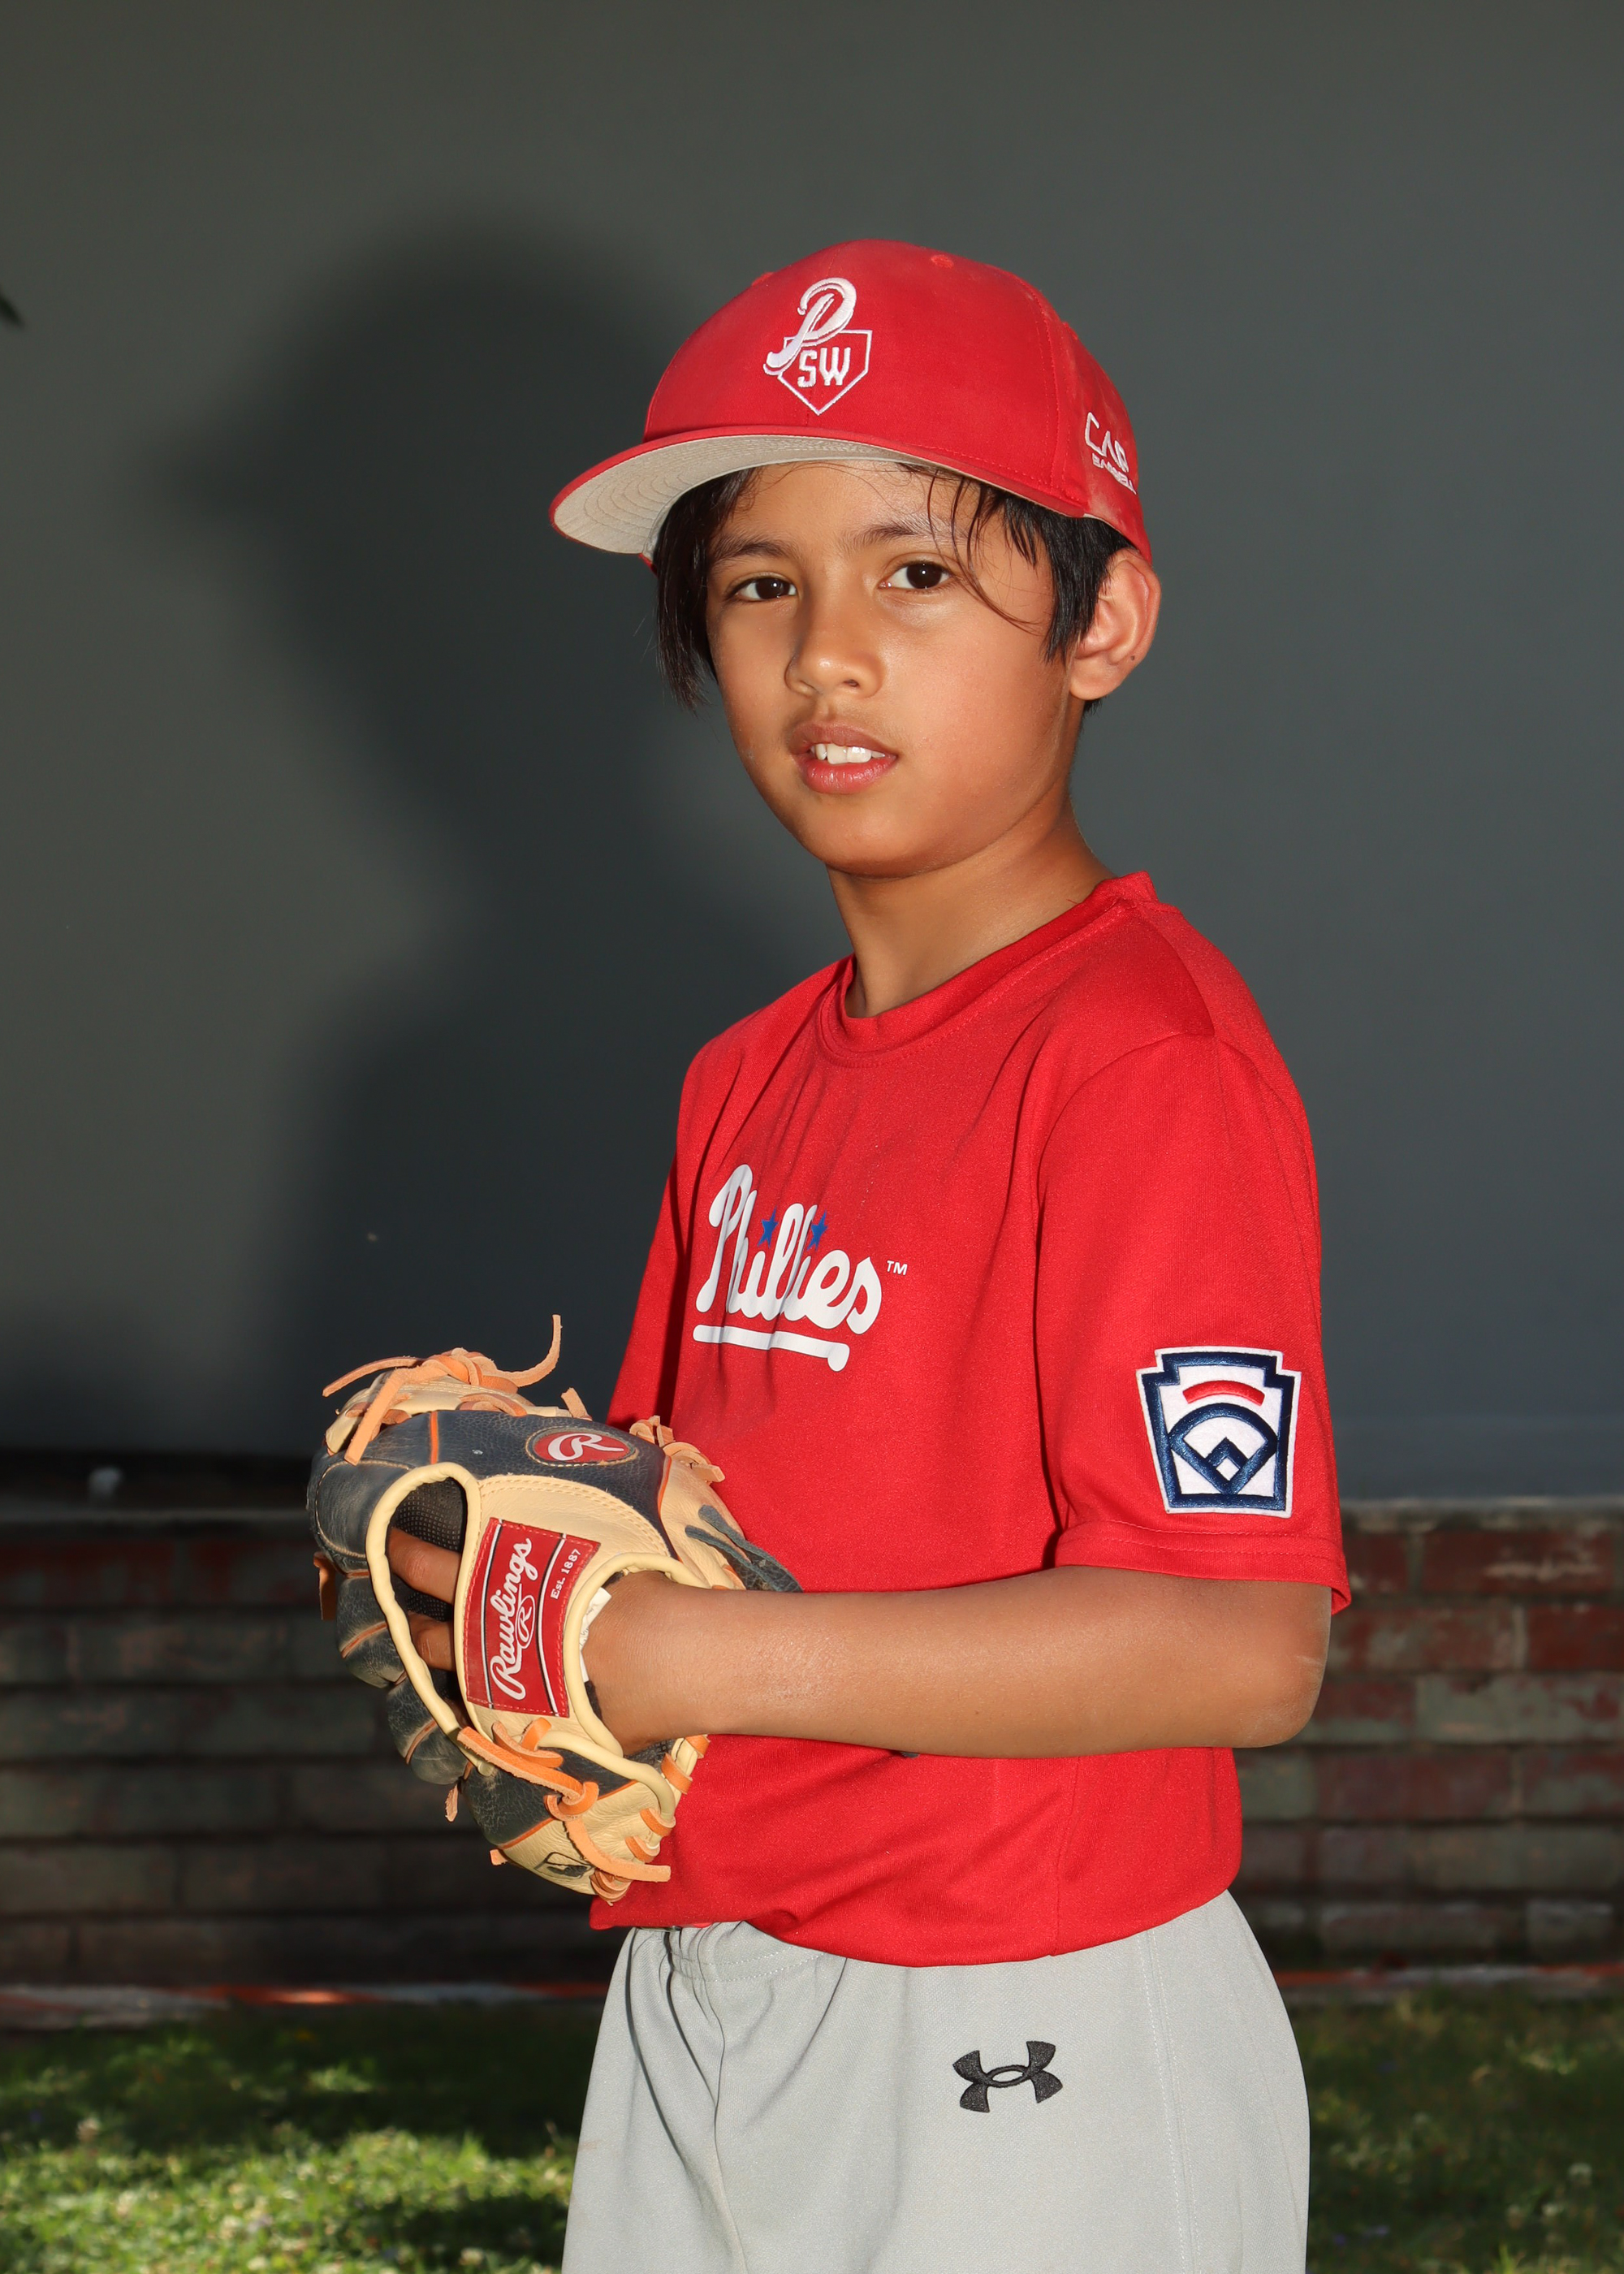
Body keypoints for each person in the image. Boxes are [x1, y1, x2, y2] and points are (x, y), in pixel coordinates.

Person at [392, 240, 1346, 2273]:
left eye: (916, 571)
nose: (827, 653)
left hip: (1029, 2004)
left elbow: (1238, 1642)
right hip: (714, 1979)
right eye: (760, 585)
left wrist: (696, 1660)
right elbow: (674, 1531)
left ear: (1103, 621)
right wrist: (533, 1611)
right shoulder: (741, 1077)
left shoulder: (1139, 1059)